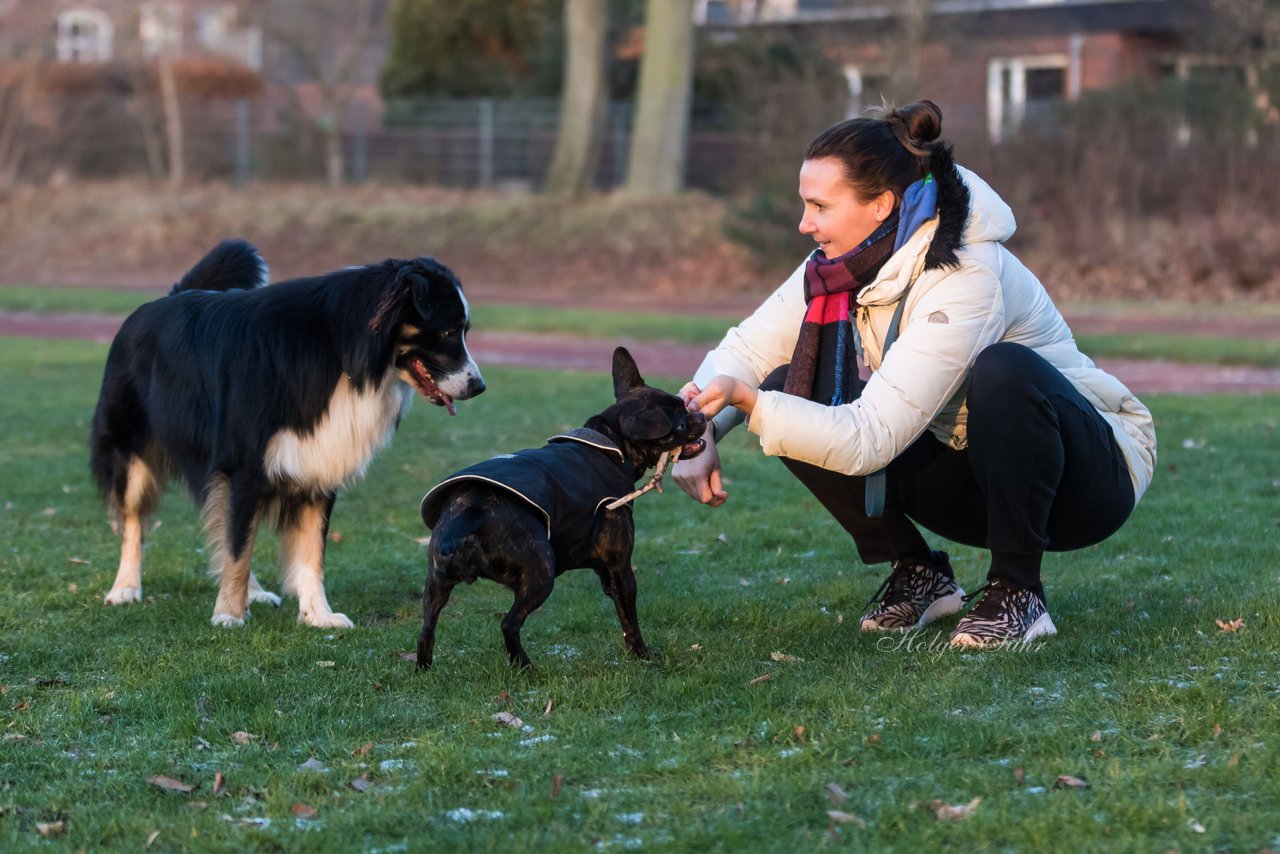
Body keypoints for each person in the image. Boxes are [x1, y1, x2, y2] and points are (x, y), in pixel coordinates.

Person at [673, 100, 1156, 647]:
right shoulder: (838, 266)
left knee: (1003, 371)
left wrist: (753, 405)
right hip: (973, 473)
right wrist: (698, 431)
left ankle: (1018, 591)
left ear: (881, 204)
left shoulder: (966, 270)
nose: (803, 224)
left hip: (1087, 480)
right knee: (789, 386)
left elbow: (869, 439)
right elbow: (748, 350)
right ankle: (920, 573)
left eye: (818, 206)